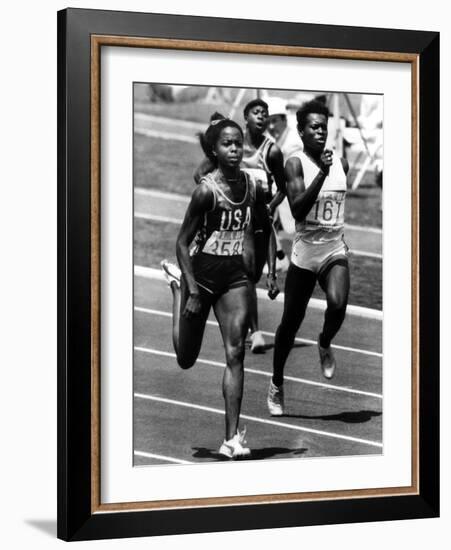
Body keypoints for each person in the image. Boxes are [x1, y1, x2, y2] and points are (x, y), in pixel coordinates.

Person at [161, 114, 278, 458]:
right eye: (227, 144)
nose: (235, 149)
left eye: (238, 143)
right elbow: (181, 244)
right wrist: (192, 290)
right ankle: (175, 287)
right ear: (214, 149)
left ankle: (231, 439)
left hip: (234, 276)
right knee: (185, 359)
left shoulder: (253, 185)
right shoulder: (205, 191)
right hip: (200, 277)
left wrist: (271, 269)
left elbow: (265, 226)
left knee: (235, 352)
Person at [267, 100, 350, 416]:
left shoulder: (342, 162)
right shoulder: (295, 163)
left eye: (323, 126)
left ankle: (325, 342)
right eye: (313, 127)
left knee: (338, 304)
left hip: (333, 250)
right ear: (301, 131)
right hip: (304, 254)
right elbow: (298, 209)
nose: (320, 131)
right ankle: (276, 383)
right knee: (290, 323)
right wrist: (322, 174)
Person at [194, 100, 286, 354]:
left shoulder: (272, 151)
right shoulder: (232, 145)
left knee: (253, 275)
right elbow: (200, 173)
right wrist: (216, 192)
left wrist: (271, 204)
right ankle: (255, 331)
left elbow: (284, 187)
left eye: (265, 114)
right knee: (245, 275)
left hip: (262, 215)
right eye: (256, 113)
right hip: (240, 217)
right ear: (246, 117)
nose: (261, 117)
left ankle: (250, 310)